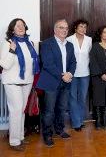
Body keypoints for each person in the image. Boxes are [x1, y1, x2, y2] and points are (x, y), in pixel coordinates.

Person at [0, 18, 39, 151]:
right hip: (12, 83)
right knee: (16, 111)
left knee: (21, 111)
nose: (21, 27)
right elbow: (4, 64)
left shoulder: (29, 43)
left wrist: (32, 80)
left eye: (22, 25)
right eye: (17, 25)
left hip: (27, 82)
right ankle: (14, 142)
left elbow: (32, 65)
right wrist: (12, 50)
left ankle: (20, 137)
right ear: (12, 29)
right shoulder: (8, 43)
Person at [37, 19, 76, 147]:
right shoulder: (47, 44)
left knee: (62, 109)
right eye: (61, 27)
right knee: (49, 111)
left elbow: (73, 62)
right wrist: (62, 75)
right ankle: (47, 134)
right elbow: (48, 64)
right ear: (55, 30)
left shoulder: (69, 45)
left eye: (66, 28)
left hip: (66, 83)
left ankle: (59, 129)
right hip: (51, 83)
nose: (64, 30)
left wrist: (70, 73)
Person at [66, 19, 92, 131]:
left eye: (85, 27)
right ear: (75, 28)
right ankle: (76, 122)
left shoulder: (89, 40)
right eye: (80, 26)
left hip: (85, 73)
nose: (83, 29)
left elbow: (90, 56)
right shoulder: (69, 39)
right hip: (72, 73)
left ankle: (81, 120)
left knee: (82, 97)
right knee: (72, 97)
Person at [90, 25, 106, 130]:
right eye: (105, 32)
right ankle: (98, 120)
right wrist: (101, 74)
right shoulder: (95, 46)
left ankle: (105, 119)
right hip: (98, 77)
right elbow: (93, 62)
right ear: (100, 34)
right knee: (98, 97)